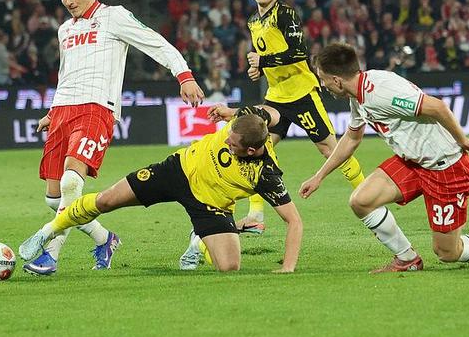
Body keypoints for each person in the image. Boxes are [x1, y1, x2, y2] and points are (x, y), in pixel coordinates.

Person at [24, 0, 204, 276]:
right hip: (63, 110)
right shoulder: (64, 30)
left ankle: (50, 255)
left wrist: (184, 76)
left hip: (96, 109)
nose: (69, 1)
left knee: (71, 182)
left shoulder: (113, 16)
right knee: (55, 199)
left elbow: (155, 42)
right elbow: (67, 73)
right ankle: (104, 239)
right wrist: (53, 112)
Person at [19, 105, 303, 273]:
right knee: (106, 200)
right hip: (178, 170)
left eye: (233, 144)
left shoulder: (267, 174)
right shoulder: (251, 119)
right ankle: (48, 231)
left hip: (211, 205)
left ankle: (200, 239)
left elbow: (294, 221)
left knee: (229, 267)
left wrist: (288, 267)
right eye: (228, 135)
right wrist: (230, 112)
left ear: (251, 150)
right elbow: (275, 113)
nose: (227, 141)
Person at [299, 43, 469, 273]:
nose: (322, 84)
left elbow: (437, 107)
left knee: (447, 252)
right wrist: (319, 176)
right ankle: (407, 259)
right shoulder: (358, 94)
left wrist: (463, 140)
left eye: (323, 79)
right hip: (413, 163)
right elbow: (352, 138)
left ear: (337, 80)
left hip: (446, 167)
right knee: (361, 201)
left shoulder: (381, 93)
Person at [242, 0, 364, 232]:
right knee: (257, 147)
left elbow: (298, 52)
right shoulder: (253, 21)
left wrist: (263, 61)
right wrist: (259, 68)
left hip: (301, 93)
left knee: (330, 150)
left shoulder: (285, 14)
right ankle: (255, 216)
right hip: (276, 96)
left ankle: (367, 195)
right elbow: (268, 53)